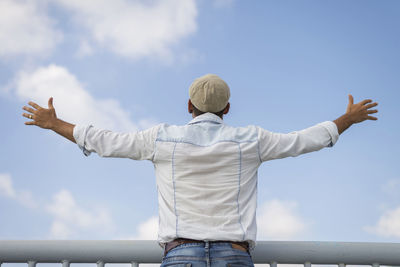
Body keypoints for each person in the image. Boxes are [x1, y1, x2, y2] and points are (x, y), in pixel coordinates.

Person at [22, 74, 378, 267]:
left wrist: (55, 124)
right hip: (235, 255)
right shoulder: (251, 140)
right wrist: (347, 118)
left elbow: (105, 140)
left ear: (189, 105)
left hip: (180, 255)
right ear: (227, 108)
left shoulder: (161, 138)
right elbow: (303, 140)